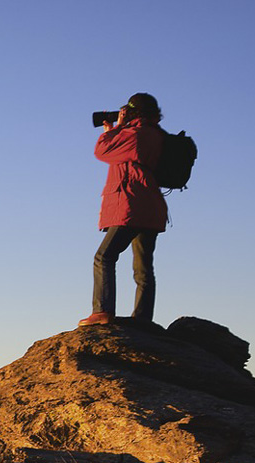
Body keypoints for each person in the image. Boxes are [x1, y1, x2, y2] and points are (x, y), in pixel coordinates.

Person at [80, 93, 167, 327]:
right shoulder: (157, 134)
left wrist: (113, 128)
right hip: (151, 207)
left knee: (104, 256)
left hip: (131, 205)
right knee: (143, 267)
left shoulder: (135, 134)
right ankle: (143, 319)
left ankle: (102, 311)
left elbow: (102, 151)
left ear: (131, 112)